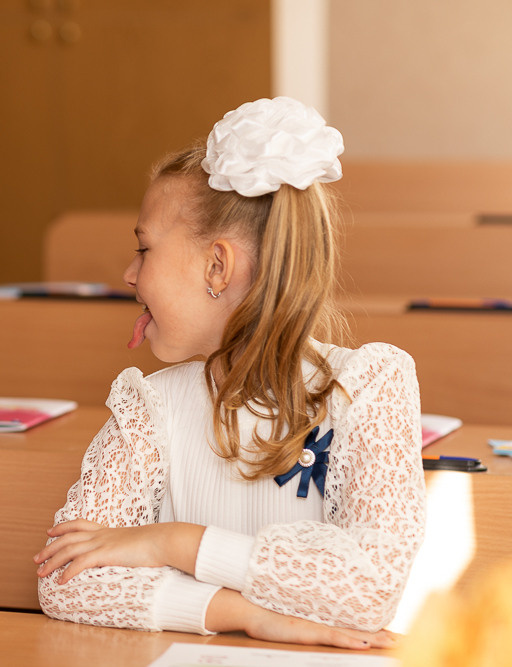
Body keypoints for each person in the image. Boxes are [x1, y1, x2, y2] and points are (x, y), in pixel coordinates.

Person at [34, 97, 425, 649]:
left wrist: (171, 543)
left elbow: (369, 587)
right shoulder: (147, 406)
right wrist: (243, 614)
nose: (128, 273)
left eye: (144, 250)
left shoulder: (368, 385)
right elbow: (65, 579)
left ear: (218, 267)